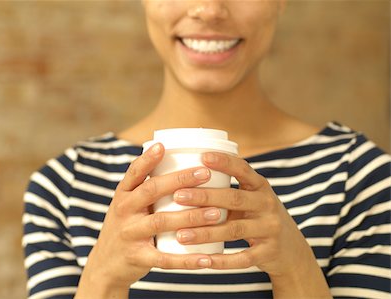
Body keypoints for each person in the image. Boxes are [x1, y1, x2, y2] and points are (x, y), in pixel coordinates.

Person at [22, 1, 391, 298]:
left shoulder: (362, 178)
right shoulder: (64, 186)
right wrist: (103, 279)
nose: (209, 9)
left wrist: (295, 267)